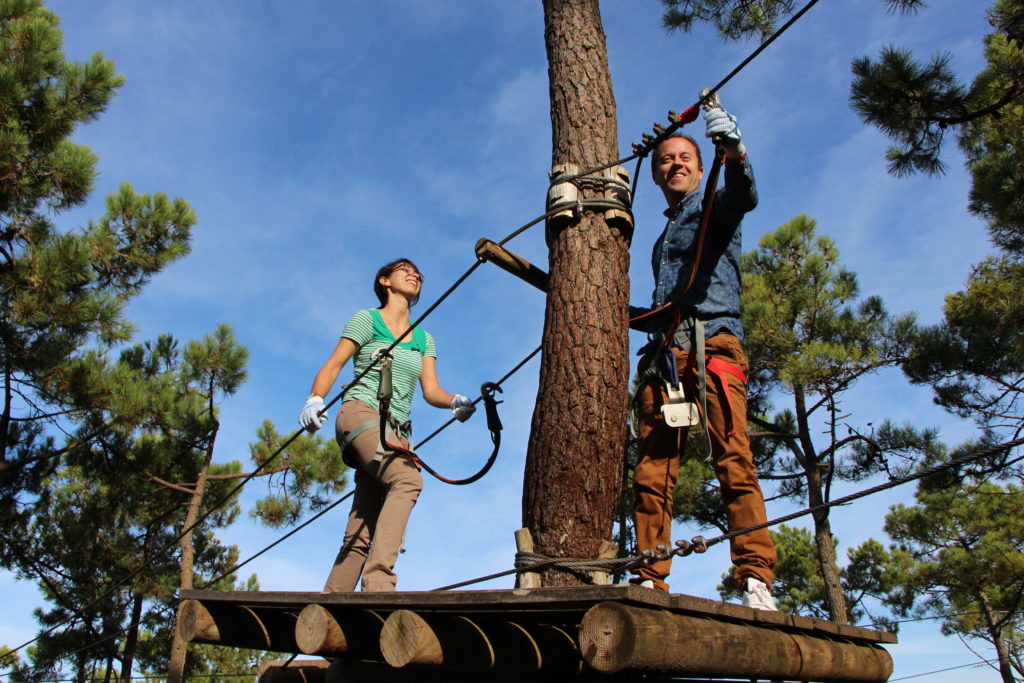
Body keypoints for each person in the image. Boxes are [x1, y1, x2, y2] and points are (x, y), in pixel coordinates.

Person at [628, 104, 778, 610]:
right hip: (668, 354)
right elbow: (667, 304)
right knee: (653, 465)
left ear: (698, 165)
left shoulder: (715, 207)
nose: (675, 164)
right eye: (665, 159)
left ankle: (756, 575)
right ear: (656, 175)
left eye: (684, 157)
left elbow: (743, 194)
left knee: (732, 455)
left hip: (714, 344)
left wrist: (734, 152)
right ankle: (649, 572)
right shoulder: (660, 239)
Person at [298, 258, 475, 592]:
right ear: (384, 280)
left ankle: (331, 603)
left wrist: (454, 401)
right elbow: (334, 365)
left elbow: (431, 391)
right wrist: (315, 398)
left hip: (396, 433)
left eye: (418, 273)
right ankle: (379, 584)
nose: (415, 274)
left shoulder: (424, 338)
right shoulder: (367, 320)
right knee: (408, 480)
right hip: (361, 413)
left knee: (361, 530)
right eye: (405, 269)